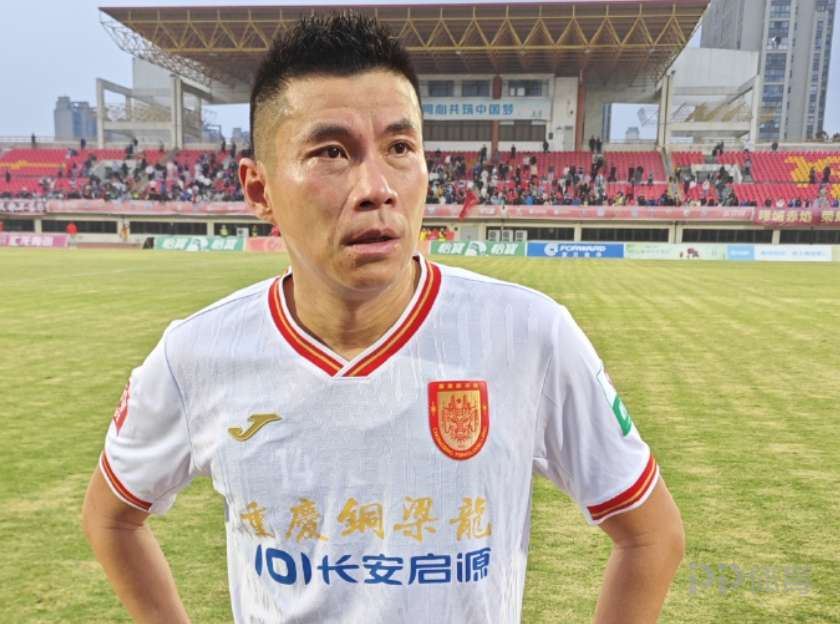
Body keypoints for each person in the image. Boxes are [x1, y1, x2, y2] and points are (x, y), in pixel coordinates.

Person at [82, 13, 683, 624]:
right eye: (331, 152)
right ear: (259, 190)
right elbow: (111, 518)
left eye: (399, 148)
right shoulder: (195, 354)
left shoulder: (530, 334)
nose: (377, 187)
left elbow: (652, 535)